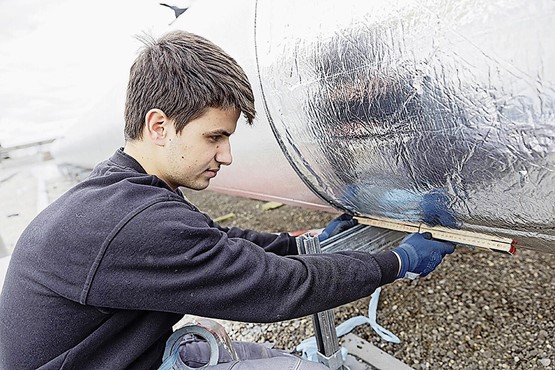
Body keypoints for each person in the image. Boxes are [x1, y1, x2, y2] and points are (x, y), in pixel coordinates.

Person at [0, 30, 455, 370]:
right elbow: (277, 287)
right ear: (159, 126)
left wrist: (303, 244)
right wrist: (398, 261)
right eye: (214, 137)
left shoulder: (124, 191)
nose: (227, 154)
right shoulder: (134, 222)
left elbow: (216, 242)